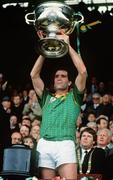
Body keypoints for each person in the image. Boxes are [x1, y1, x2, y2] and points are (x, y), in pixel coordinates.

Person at [30, 33, 87, 179]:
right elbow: (34, 75)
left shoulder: (74, 96)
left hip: (65, 144)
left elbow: (82, 72)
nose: (59, 78)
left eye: (63, 76)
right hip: (45, 144)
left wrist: (68, 46)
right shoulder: (46, 97)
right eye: (56, 76)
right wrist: (45, 48)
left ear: (69, 82)